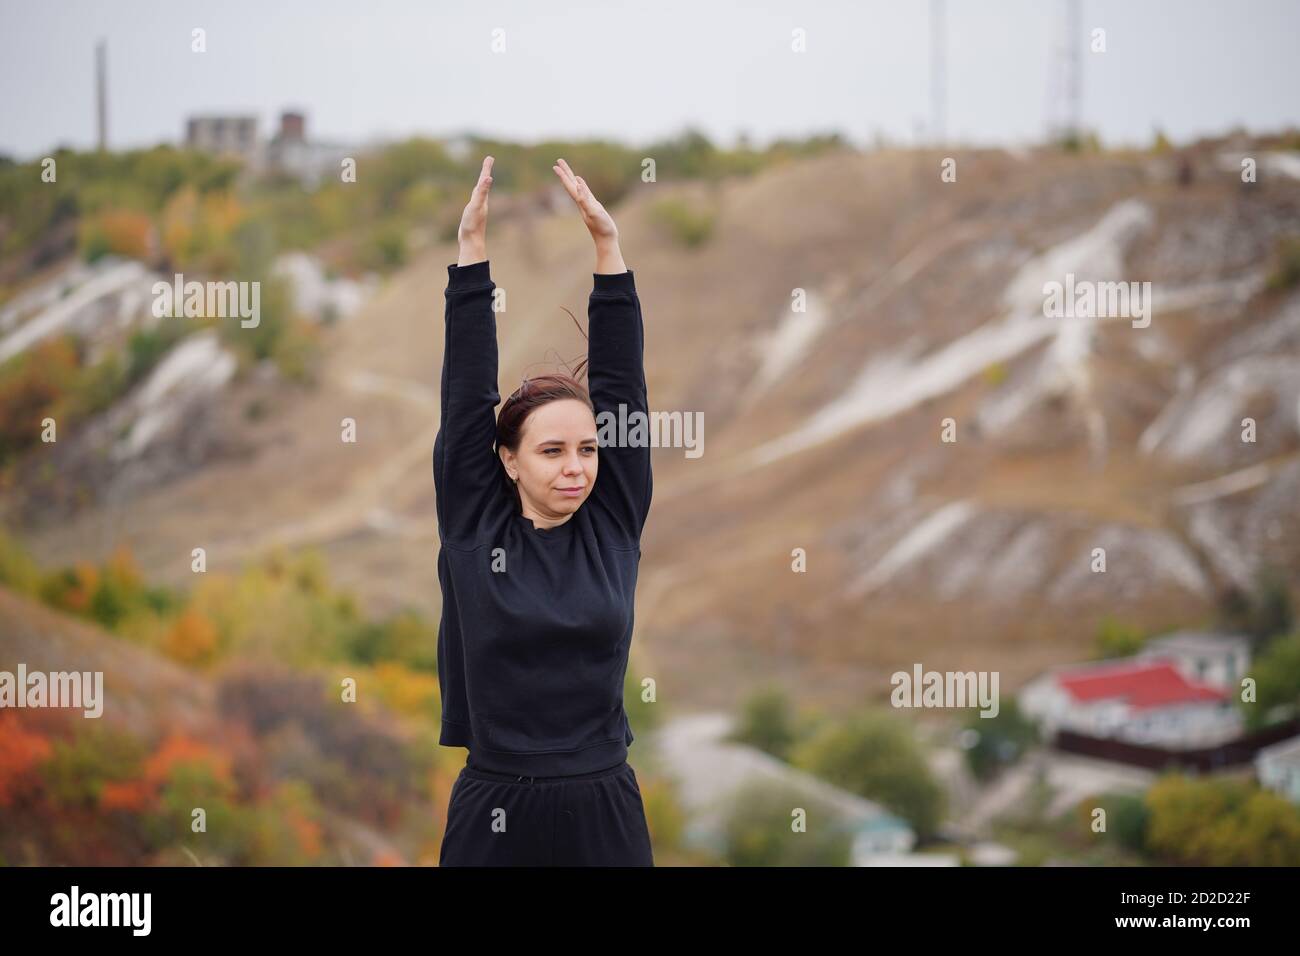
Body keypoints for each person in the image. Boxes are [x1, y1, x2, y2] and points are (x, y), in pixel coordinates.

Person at [436, 157, 654, 866]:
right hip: (497, 813)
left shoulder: (613, 520)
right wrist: (471, 262)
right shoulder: (475, 528)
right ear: (508, 460)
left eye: (588, 450)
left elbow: (623, 392)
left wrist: (608, 254)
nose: (576, 467)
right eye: (553, 450)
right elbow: (467, 400)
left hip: (604, 813)